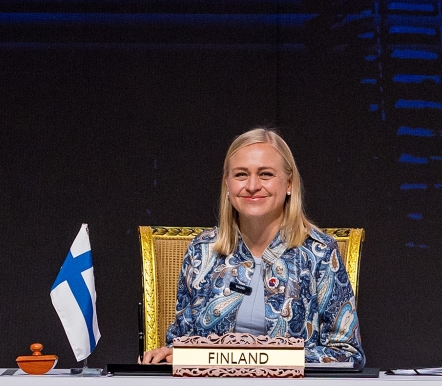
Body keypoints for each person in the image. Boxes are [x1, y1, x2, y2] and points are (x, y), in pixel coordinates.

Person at [141, 128, 364, 365]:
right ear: (227, 184)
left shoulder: (320, 252)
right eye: (240, 175)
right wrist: (166, 354)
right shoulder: (202, 250)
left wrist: (254, 360)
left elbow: (347, 353)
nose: (252, 185)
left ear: (289, 184)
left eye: (266, 174)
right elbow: (181, 342)